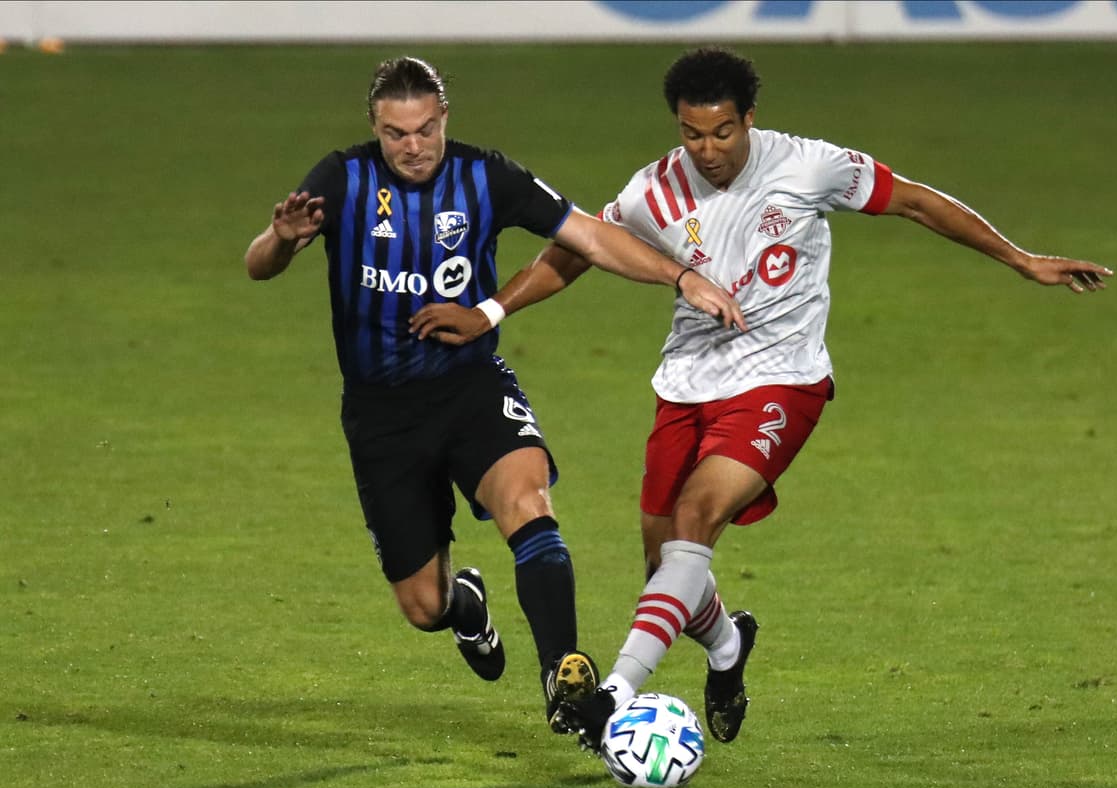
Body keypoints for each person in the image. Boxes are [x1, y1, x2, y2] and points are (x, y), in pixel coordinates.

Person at [408, 46, 1112, 751]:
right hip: (685, 383)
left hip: (783, 376)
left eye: (722, 132)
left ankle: (615, 696)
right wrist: (492, 313)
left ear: (749, 119)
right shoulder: (653, 191)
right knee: (668, 575)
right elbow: (576, 251)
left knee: (696, 516)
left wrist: (1021, 259)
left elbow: (918, 202)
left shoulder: (808, 166)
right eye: (692, 134)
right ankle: (727, 647)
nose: (708, 150)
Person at [243, 56, 745, 732]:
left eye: (424, 129)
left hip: (470, 386)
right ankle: (466, 606)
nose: (412, 147)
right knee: (423, 605)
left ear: (444, 117)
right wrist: (281, 240)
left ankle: (563, 674)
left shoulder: (486, 177)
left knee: (527, 503)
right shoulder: (344, 179)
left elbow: (590, 238)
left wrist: (680, 278)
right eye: (395, 134)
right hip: (381, 417)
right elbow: (259, 266)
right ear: (374, 128)